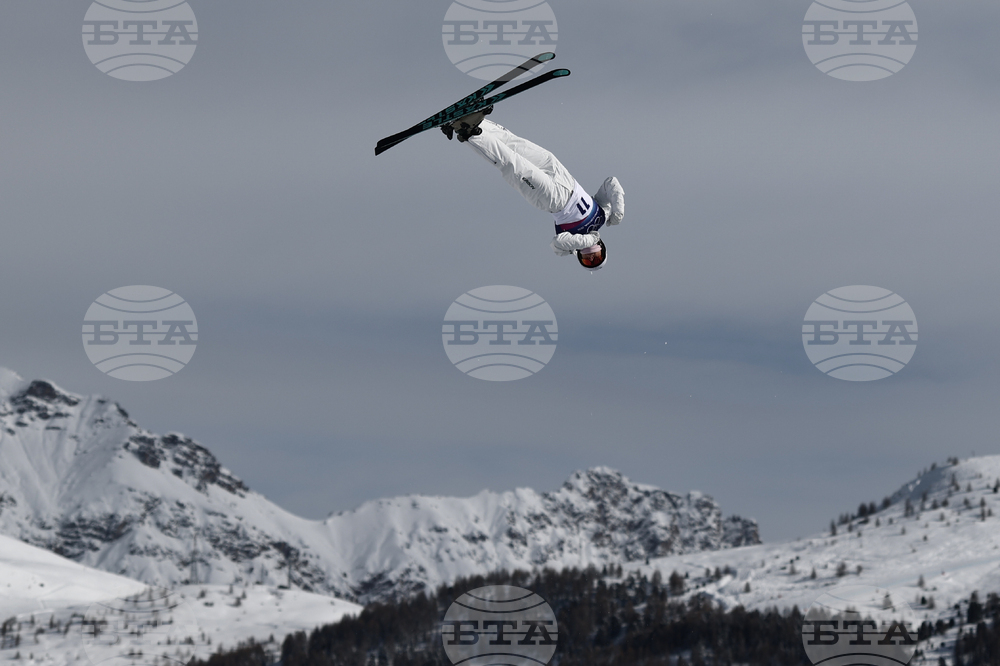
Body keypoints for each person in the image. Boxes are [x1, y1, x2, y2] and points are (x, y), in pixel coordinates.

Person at [443, 108, 624, 271]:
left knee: (512, 164)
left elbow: (557, 243)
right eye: (597, 258)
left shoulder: (567, 246)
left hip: (553, 199)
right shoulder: (603, 215)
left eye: (588, 260)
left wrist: (588, 240)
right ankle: (477, 121)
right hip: (562, 175)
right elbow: (611, 183)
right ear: (603, 248)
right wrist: (618, 211)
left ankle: (468, 132)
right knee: (516, 145)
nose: (591, 256)